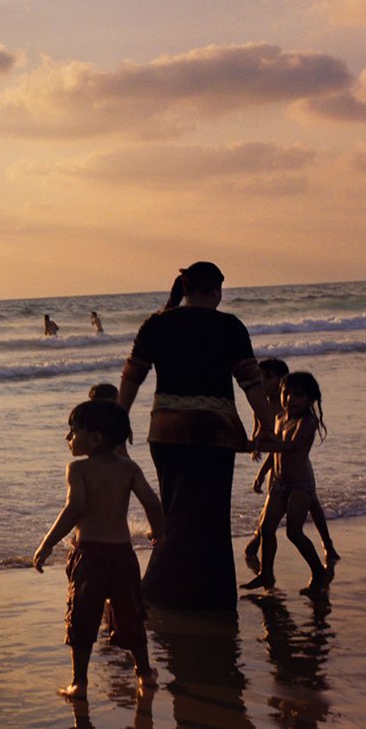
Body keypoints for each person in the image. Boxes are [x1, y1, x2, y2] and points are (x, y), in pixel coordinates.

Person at [117, 261, 275, 612]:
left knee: (177, 510)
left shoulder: (156, 324)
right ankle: (190, 595)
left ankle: (172, 596)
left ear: (185, 289)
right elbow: (251, 382)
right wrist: (266, 424)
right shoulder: (229, 326)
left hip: (165, 433)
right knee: (209, 516)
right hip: (212, 435)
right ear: (217, 290)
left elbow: (131, 377)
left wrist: (119, 419)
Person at [33, 400, 163, 699]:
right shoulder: (129, 468)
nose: (68, 438)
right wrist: (160, 534)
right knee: (130, 612)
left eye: (73, 431)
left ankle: (79, 683)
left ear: (95, 438)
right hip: (121, 553)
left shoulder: (77, 469)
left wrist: (47, 542)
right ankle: (144, 673)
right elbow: (153, 504)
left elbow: (74, 508)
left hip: (89, 554)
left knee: (82, 615)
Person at [242, 372, 332, 595]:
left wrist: (258, 444)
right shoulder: (280, 419)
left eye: (298, 395)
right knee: (266, 528)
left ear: (310, 399)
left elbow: (290, 447)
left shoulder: (307, 422)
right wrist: (262, 474)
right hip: (280, 484)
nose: (290, 399)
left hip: (300, 486)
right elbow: (275, 454)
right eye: (286, 393)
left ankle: (318, 571)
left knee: (294, 532)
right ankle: (267, 573)